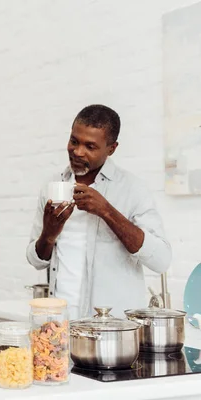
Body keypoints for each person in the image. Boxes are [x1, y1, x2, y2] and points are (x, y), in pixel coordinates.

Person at [26, 104, 172, 320]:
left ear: (111, 148)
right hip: (61, 326)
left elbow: (161, 260)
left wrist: (106, 211)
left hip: (113, 333)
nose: (77, 152)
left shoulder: (133, 189)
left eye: (90, 146)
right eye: (74, 141)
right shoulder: (53, 186)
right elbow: (36, 260)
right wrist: (49, 233)